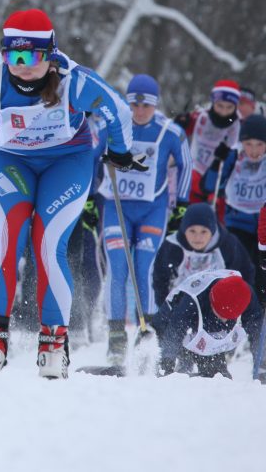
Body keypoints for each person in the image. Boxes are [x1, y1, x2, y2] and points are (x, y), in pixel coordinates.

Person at [0, 9, 140, 379]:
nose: (21, 66)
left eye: (31, 57)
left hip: (66, 163)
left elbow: (118, 110)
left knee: (47, 243)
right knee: (4, 241)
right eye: (13, 56)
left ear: (50, 56)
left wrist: (119, 150)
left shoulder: (75, 81)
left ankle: (53, 343)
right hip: (12, 161)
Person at [94, 74, 192, 366]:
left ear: (155, 104)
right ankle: (116, 338)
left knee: (143, 269)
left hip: (152, 209)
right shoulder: (112, 127)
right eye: (133, 104)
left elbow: (186, 162)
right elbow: (88, 156)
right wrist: (88, 196)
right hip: (116, 207)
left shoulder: (169, 132)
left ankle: (146, 330)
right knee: (118, 269)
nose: (138, 112)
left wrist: (182, 204)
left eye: (145, 106)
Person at [201, 113, 266, 303]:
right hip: (237, 223)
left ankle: (259, 317)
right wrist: (216, 161)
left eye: (260, 144)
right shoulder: (234, 156)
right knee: (239, 272)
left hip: (263, 227)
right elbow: (209, 186)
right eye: (249, 144)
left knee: (262, 278)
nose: (253, 151)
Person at [158, 270, 261, 379]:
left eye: (228, 317)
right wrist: (167, 362)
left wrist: (262, 366)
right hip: (169, 321)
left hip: (206, 330)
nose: (224, 320)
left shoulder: (246, 297)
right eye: (220, 314)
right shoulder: (191, 300)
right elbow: (174, 331)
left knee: (218, 377)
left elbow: (258, 333)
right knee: (177, 368)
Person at [174, 79, 241, 205]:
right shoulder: (201, 117)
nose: (224, 112)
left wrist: (228, 156)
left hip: (218, 187)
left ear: (235, 106)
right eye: (220, 106)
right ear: (213, 102)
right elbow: (177, 133)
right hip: (194, 178)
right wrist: (180, 123)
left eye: (229, 107)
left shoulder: (239, 126)